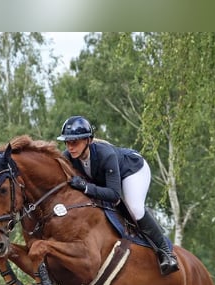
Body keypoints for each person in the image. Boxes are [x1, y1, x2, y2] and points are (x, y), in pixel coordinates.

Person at [57, 115, 179, 276]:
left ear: (88, 140)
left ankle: (166, 253)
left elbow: (114, 195)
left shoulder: (105, 154)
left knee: (134, 209)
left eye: (75, 142)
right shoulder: (68, 157)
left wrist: (86, 187)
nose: (70, 147)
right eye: (67, 142)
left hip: (133, 170)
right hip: (109, 178)